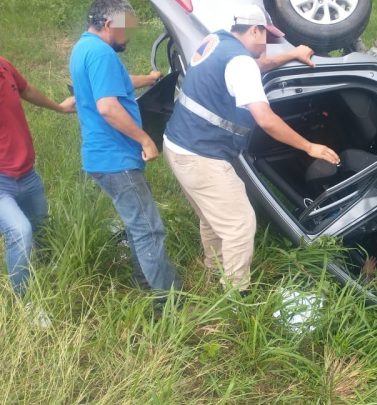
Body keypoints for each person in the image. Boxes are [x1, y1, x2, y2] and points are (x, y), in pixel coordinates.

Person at [162, 4, 339, 293]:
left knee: (213, 217)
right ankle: (234, 295)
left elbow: (255, 65)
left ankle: (214, 270)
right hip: (201, 156)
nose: (267, 43)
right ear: (254, 29)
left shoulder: (218, 41)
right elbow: (266, 120)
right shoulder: (239, 62)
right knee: (240, 225)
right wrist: (310, 147)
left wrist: (291, 55)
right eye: (266, 36)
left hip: (180, 146)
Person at [69, 0, 181, 296]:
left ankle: (145, 281)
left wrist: (149, 79)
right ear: (109, 25)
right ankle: (168, 300)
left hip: (103, 156)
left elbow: (114, 83)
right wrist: (145, 139)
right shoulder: (102, 54)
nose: (128, 35)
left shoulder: (85, 48)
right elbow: (107, 106)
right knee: (149, 228)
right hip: (115, 158)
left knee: (137, 225)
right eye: (126, 28)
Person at [0, 56, 75, 299]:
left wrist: (60, 107)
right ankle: (25, 302)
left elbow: (27, 90)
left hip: (27, 172)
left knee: (42, 227)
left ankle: (47, 273)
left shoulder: (4, 65)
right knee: (20, 232)